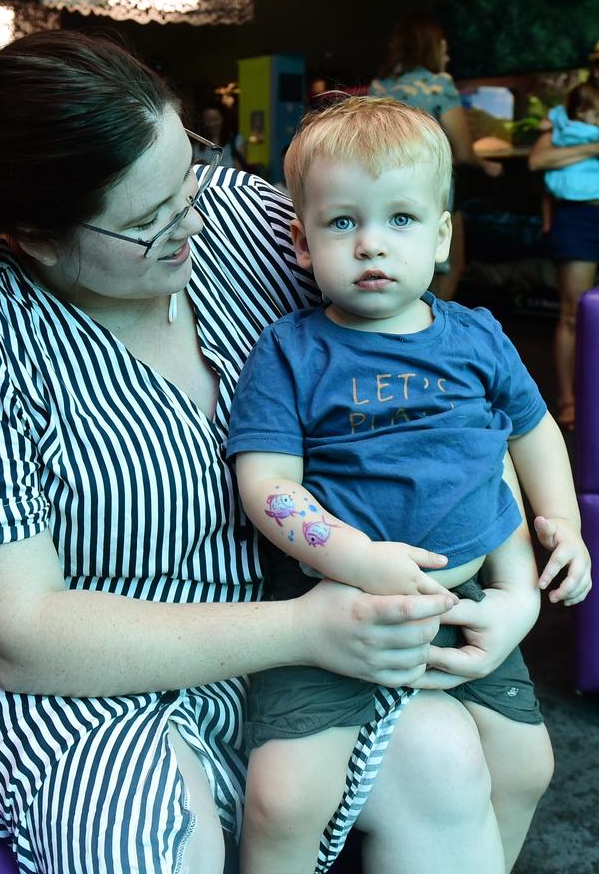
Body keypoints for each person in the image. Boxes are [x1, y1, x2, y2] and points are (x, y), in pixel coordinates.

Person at [0, 32, 550, 874]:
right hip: (78, 656)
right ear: (35, 237)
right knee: (147, 842)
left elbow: (445, 396)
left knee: (445, 765)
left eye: (186, 176)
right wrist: (301, 628)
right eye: (149, 222)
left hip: (304, 610)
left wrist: (513, 593)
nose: (191, 221)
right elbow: (23, 631)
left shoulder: (246, 221)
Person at [228, 96, 591, 874]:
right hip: (331, 608)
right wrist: (354, 557)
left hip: (465, 613)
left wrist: (561, 518)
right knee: (284, 799)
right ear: (300, 240)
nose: (370, 245)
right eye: (341, 223)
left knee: (527, 767)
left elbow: (532, 431)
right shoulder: (290, 350)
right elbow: (267, 485)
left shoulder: (478, 336)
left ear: (441, 235)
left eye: (399, 220)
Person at [369, 13, 503, 301]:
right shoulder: (439, 84)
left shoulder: (378, 88)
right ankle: (434, 338)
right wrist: (488, 166)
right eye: (444, 46)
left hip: (381, 190)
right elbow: (465, 152)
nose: (448, 54)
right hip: (430, 189)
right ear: (432, 47)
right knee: (443, 268)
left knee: (394, 268)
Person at [528, 82, 599, 431]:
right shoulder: (565, 120)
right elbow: (538, 159)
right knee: (572, 312)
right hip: (578, 217)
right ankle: (568, 400)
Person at [199, 100, 246, 169]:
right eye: (207, 120)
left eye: (215, 119)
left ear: (223, 119)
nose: (211, 124)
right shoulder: (197, 143)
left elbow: (240, 171)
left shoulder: (237, 141)